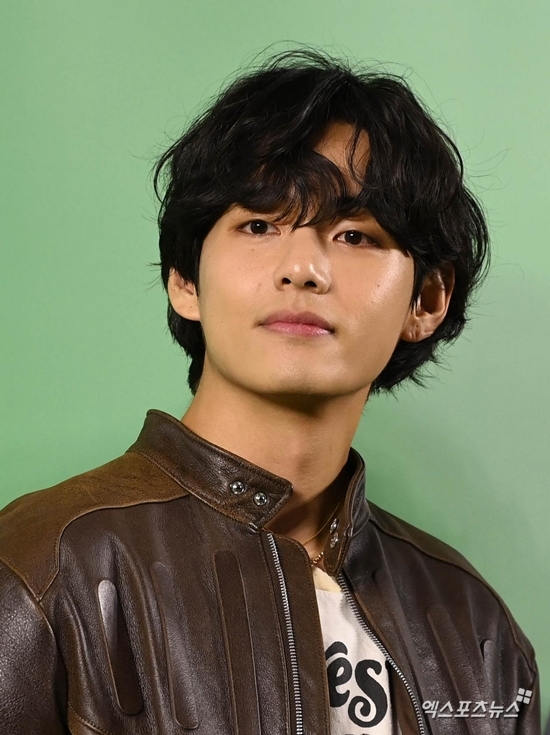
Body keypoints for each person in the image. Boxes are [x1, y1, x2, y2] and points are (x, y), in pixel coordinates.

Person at [0, 49, 540, 734]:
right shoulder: (41, 567)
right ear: (184, 279)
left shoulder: (478, 629)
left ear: (426, 300)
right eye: (259, 225)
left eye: (355, 234)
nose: (303, 268)